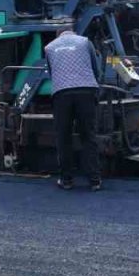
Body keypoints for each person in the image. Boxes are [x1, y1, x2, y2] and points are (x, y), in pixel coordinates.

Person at [44, 27, 104, 191]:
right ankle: (94, 180)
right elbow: (94, 67)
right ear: (73, 32)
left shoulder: (49, 47)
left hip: (62, 94)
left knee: (63, 137)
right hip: (86, 91)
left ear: (58, 34)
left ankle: (67, 180)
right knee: (88, 136)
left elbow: (51, 72)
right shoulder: (85, 42)